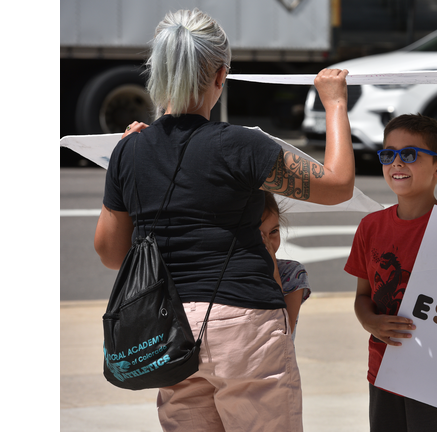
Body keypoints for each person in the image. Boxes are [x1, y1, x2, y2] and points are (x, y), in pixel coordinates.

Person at [93, 8, 353, 432]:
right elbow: (338, 184)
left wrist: (123, 163)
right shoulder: (242, 145)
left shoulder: (130, 149)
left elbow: (111, 254)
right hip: (244, 324)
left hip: (168, 330)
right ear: (219, 75)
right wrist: (335, 103)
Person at [344, 114, 437, 431]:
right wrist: (370, 321)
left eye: (409, 155)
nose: (397, 163)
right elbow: (362, 296)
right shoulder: (370, 227)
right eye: (388, 154)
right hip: (383, 370)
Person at [260, 192, 311, 340]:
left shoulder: (291, 273)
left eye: (274, 232)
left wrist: (274, 271)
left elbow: (282, 331)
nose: (268, 243)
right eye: (259, 235)